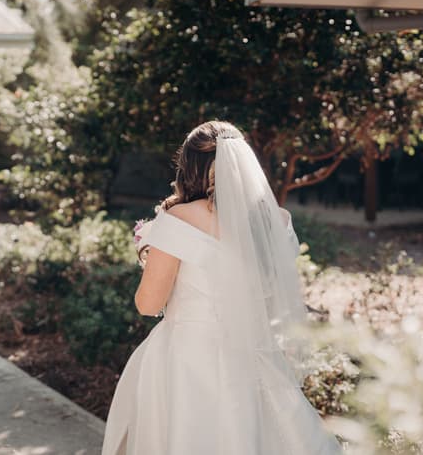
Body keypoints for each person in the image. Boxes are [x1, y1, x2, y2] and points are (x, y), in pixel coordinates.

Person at [102, 121, 342, 454]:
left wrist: (155, 265)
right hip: (253, 356)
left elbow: (147, 304)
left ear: (191, 167)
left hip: (186, 359)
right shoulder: (277, 223)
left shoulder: (179, 218)